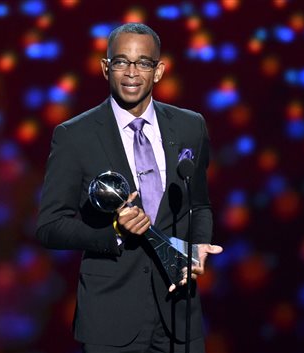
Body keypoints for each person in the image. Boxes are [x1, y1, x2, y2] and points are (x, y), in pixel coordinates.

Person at [36, 22, 222, 353]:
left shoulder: (190, 126)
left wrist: (199, 245)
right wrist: (115, 233)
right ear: (106, 68)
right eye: (121, 61)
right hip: (111, 316)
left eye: (143, 63)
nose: (131, 72)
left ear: (159, 71)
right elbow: (50, 227)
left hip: (179, 314)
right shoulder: (74, 135)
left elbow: (200, 204)